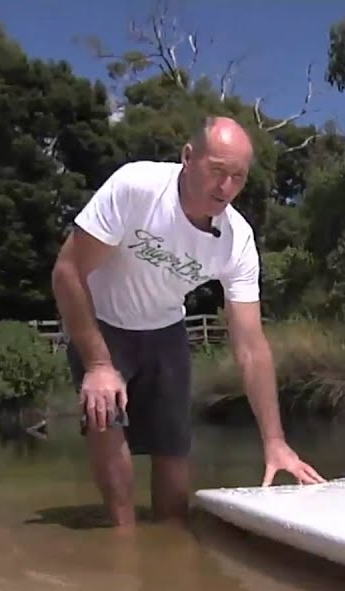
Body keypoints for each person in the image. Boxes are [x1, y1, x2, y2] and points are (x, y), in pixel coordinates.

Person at [50, 115, 326, 529]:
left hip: (166, 331)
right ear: (188, 157)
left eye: (238, 176)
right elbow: (67, 272)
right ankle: (121, 549)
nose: (226, 187)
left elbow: (250, 345)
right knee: (107, 426)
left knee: (174, 455)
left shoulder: (238, 240)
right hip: (101, 323)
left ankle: (170, 553)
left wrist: (275, 442)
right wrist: (98, 365)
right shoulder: (137, 187)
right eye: (217, 170)